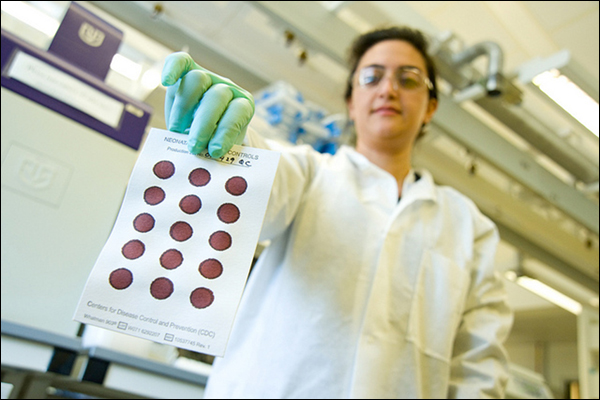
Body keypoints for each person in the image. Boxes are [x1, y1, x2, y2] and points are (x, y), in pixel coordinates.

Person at [161, 26, 513, 399]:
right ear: (351, 102)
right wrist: (231, 142)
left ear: (430, 107)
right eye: (371, 77)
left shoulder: (469, 226)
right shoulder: (309, 174)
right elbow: (260, 184)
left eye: (408, 79)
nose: (388, 89)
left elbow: (479, 365)